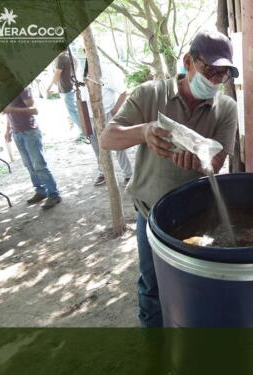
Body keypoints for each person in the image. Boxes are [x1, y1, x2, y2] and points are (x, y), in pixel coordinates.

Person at [100, 30, 239, 327]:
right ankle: (156, 350)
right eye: (210, 71)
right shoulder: (149, 94)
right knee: (152, 286)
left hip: (201, 215)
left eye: (223, 75)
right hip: (151, 214)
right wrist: (144, 131)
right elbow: (107, 138)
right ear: (188, 62)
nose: (215, 81)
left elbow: (217, 160)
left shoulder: (226, 108)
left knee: (198, 284)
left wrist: (201, 160)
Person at [4, 87, 62, 209]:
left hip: (30, 131)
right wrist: (8, 129)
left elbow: (34, 110)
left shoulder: (22, 88)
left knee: (39, 165)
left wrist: (11, 109)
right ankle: (41, 191)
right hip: (17, 132)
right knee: (29, 165)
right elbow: (8, 113)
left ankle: (54, 194)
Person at [82, 58, 133, 186]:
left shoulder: (106, 72)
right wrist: (85, 120)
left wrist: (114, 110)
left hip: (107, 114)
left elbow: (123, 92)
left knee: (117, 145)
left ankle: (128, 174)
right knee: (97, 147)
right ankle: (103, 172)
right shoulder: (83, 72)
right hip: (91, 116)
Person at [47, 50, 83, 140]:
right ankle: (80, 129)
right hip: (69, 85)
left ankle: (83, 131)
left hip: (66, 88)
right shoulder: (67, 55)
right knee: (72, 111)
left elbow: (57, 73)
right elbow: (76, 63)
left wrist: (50, 86)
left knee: (72, 112)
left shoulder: (61, 57)